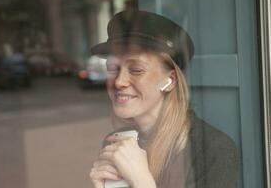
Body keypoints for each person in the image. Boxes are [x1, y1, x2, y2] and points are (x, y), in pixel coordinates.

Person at [89, 10, 238, 188]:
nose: (119, 81)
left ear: (170, 80)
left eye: (136, 70)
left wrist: (140, 180)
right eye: (113, 69)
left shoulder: (213, 150)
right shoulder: (118, 142)